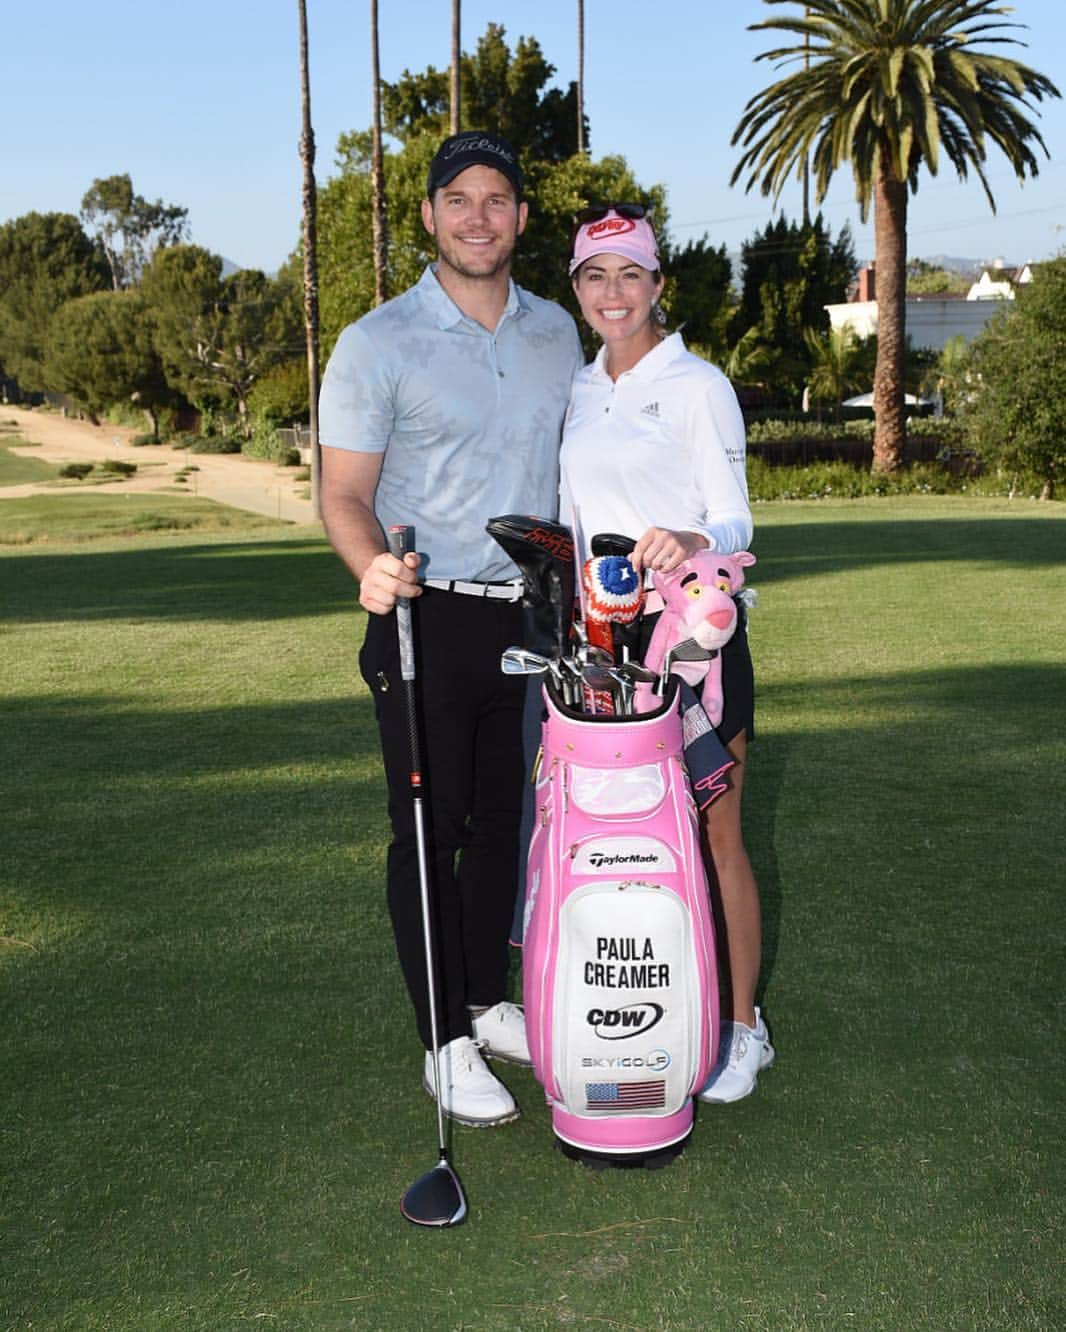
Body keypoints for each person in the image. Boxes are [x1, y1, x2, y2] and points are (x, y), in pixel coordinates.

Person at [318, 131, 584, 1127]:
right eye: (457, 199)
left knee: (509, 827)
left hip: (530, 617)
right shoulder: (378, 341)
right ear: (428, 216)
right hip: (423, 616)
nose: (478, 216)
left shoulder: (557, 333)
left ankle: (484, 995)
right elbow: (342, 493)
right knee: (430, 831)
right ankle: (444, 1039)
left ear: (520, 217)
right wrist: (371, 567)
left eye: (497, 199)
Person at [560, 204, 774, 1103]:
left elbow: (736, 516)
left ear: (657, 286)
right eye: (595, 276)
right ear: (577, 290)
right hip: (602, 650)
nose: (615, 293)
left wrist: (689, 535)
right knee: (624, 839)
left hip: (694, 644)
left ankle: (742, 1027)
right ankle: (653, 1010)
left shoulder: (696, 384)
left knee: (714, 834)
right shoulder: (578, 387)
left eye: (631, 275)